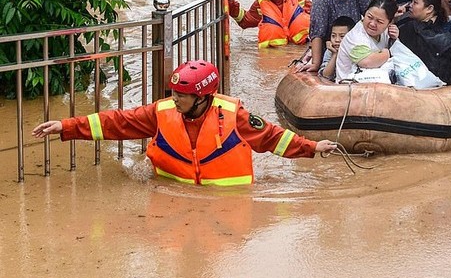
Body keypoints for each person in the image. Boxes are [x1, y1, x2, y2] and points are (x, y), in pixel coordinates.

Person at [31, 60, 337, 186]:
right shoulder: (162, 112)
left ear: (203, 97)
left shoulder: (234, 115)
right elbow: (118, 122)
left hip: (228, 202)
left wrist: (312, 147)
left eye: (183, 95)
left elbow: (272, 138)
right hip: (170, 190)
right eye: (174, 93)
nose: (175, 100)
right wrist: (67, 126)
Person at [397, 0, 451, 85]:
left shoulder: (410, 28)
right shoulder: (410, 27)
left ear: (429, 9)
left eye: (415, 2)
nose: (410, 5)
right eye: (411, 1)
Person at [335, 0, 399, 83]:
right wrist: (388, 53)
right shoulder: (355, 36)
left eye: (379, 21)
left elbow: (399, 52)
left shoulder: (387, 31)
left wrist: (395, 39)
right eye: (369, 17)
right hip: (348, 88)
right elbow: (367, 62)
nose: (372, 24)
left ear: (389, 23)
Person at [319, 15, 356, 81]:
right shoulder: (330, 51)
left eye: (342, 36)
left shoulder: (357, 50)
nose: (337, 40)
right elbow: (325, 76)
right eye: (333, 36)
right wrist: (334, 55)